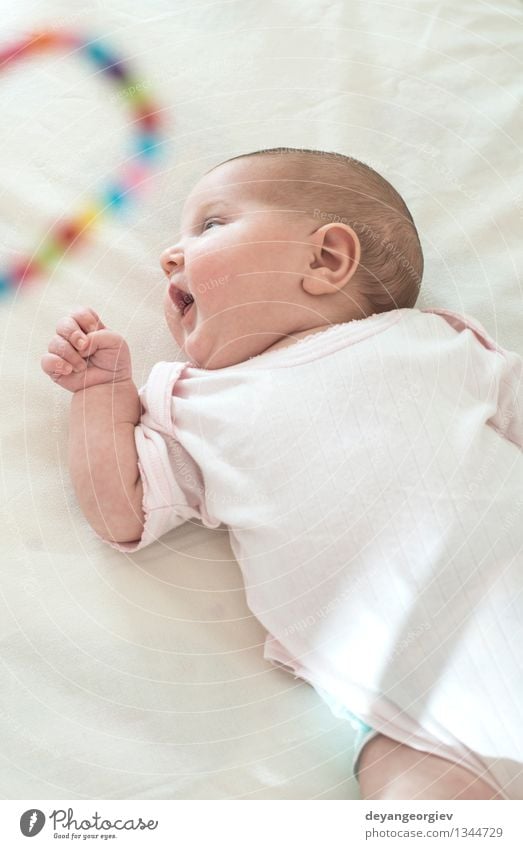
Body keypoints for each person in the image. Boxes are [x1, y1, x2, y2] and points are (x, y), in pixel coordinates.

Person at [41, 147, 522, 799]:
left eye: (209, 225)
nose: (168, 256)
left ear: (324, 259)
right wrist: (100, 395)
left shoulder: (433, 344)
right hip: (414, 721)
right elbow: (119, 509)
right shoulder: (195, 405)